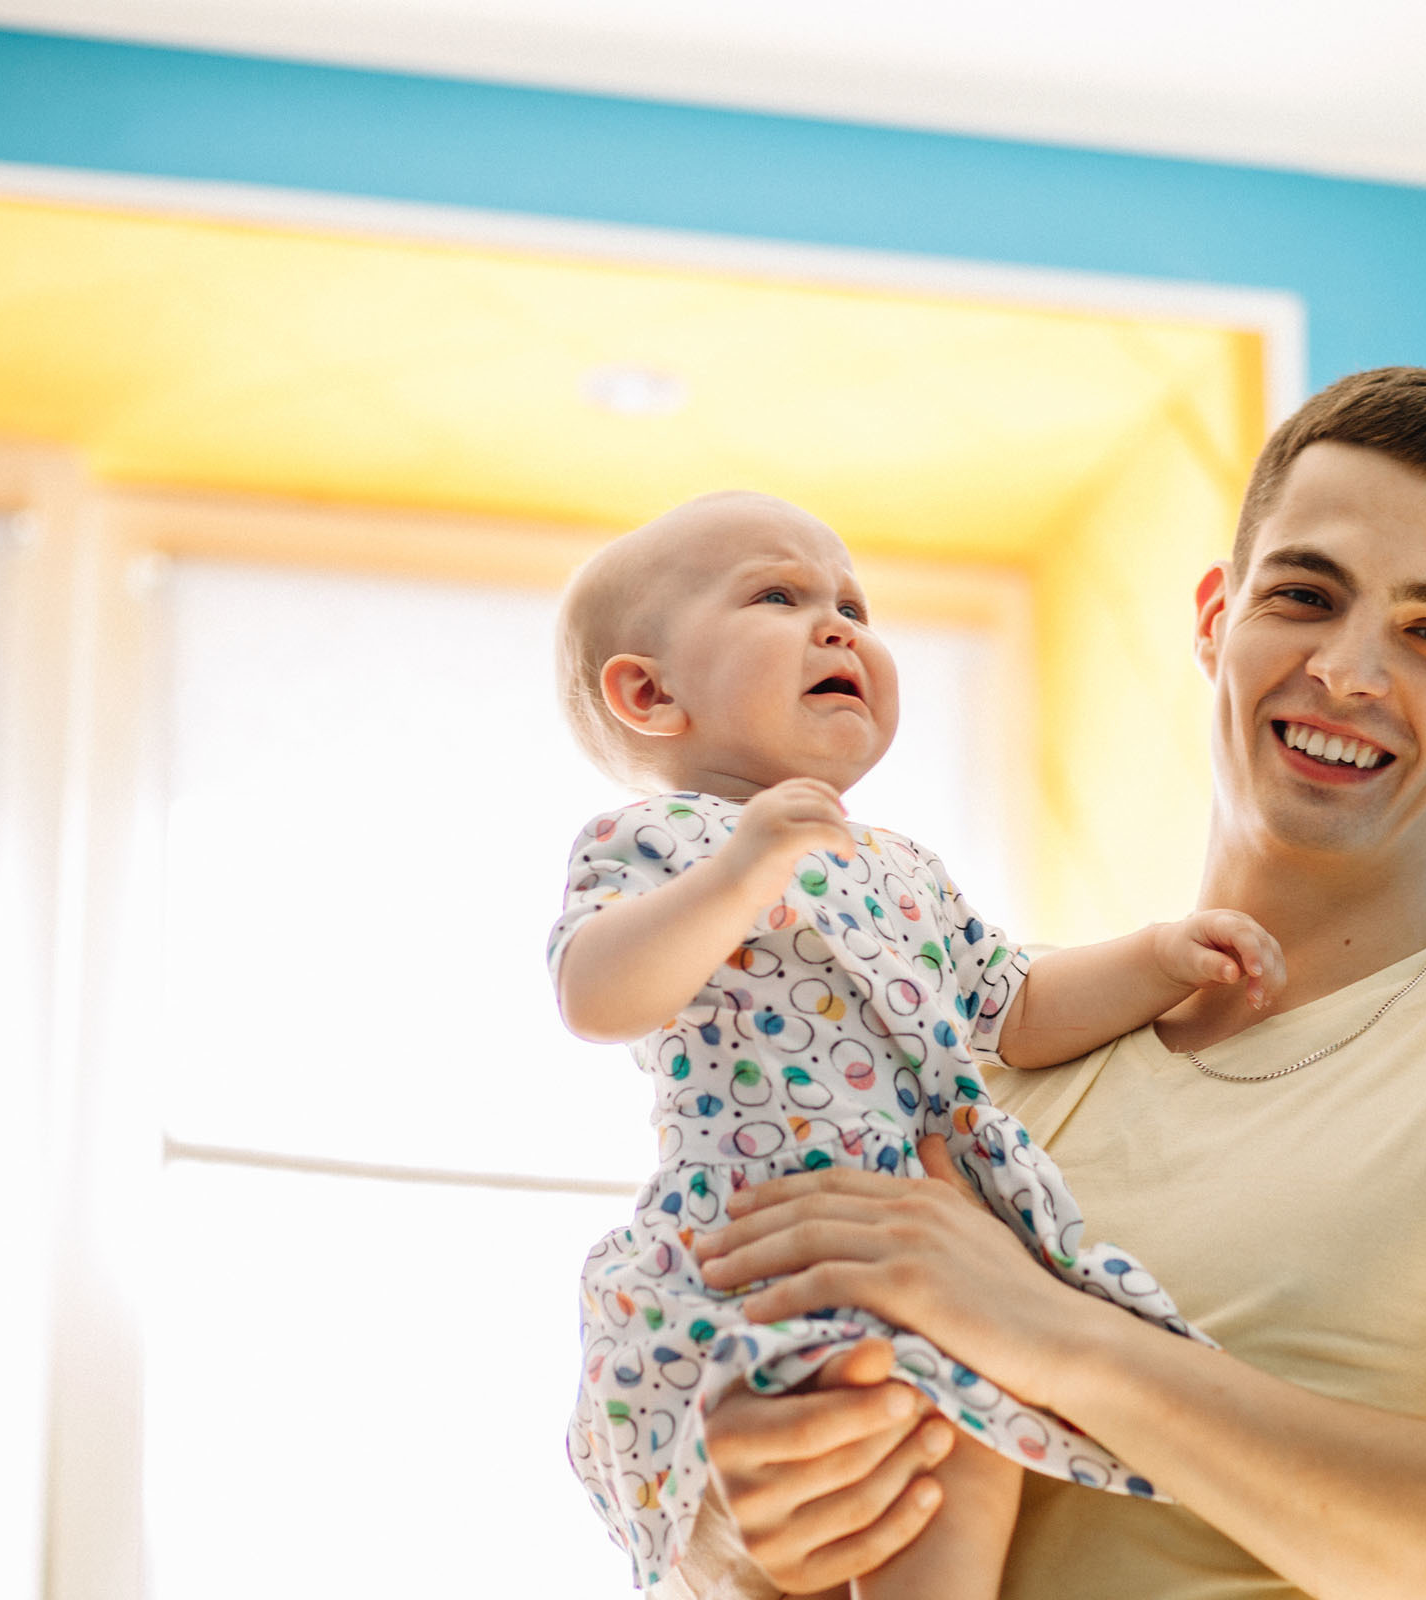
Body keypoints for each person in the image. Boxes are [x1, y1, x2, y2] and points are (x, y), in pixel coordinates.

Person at [676, 368, 1426, 1600]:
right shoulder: (970, 1056)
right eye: (1304, 596)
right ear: (1213, 619)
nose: (1346, 672)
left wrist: (1060, 1338)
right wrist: (735, 1528)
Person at [548, 490, 1290, 1597]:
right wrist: (741, 872)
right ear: (650, 692)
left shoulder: (900, 866)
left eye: (852, 602)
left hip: (921, 1241)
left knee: (968, 1451)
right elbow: (596, 990)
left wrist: (1156, 957)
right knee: (829, 1462)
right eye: (777, 595)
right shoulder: (657, 841)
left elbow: (1018, 1003)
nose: (840, 624)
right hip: (759, 1246)